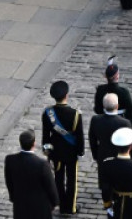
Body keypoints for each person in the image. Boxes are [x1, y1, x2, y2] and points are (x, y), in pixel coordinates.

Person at [41, 81, 84, 216]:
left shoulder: (48, 114)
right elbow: (79, 136)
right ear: (67, 95)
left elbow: (45, 136)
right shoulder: (75, 114)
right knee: (72, 180)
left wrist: (47, 151)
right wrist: (80, 151)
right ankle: (70, 207)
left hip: (56, 153)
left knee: (58, 179)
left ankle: (61, 204)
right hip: (71, 152)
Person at [98, 128, 132, 219]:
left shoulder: (107, 164)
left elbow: (106, 188)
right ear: (131, 147)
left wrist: (107, 205)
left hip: (117, 204)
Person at [4, 130, 59, 219]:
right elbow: (50, 186)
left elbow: (9, 182)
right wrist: (55, 202)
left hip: (20, 206)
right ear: (33, 144)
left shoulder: (10, 160)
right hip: (40, 208)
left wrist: (13, 197)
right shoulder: (42, 164)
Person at [89, 93, 132, 164]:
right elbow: (131, 143)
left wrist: (96, 156)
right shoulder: (125, 123)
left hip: (103, 156)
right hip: (120, 158)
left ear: (103, 106)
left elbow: (92, 140)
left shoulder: (95, 120)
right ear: (117, 106)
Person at [93, 57, 132, 127]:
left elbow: (97, 110)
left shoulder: (100, 89)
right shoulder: (124, 92)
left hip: (104, 122)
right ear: (117, 76)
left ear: (106, 76)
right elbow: (131, 113)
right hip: (121, 122)